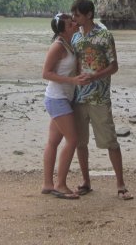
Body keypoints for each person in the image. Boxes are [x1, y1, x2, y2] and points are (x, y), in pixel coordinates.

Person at [70, 0, 133, 200]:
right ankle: (86, 181)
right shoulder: (75, 38)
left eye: (77, 15)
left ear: (88, 15)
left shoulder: (105, 36)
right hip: (78, 97)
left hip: (100, 97)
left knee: (110, 141)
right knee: (80, 142)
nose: (74, 18)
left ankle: (121, 184)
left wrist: (94, 76)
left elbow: (114, 66)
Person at [41, 13, 91, 199]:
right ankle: (60, 185)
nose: (74, 25)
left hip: (62, 98)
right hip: (57, 98)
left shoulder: (69, 44)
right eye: (70, 24)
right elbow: (46, 73)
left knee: (53, 142)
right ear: (63, 30)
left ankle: (47, 184)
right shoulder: (58, 46)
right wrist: (72, 80)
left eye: (73, 22)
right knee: (73, 140)